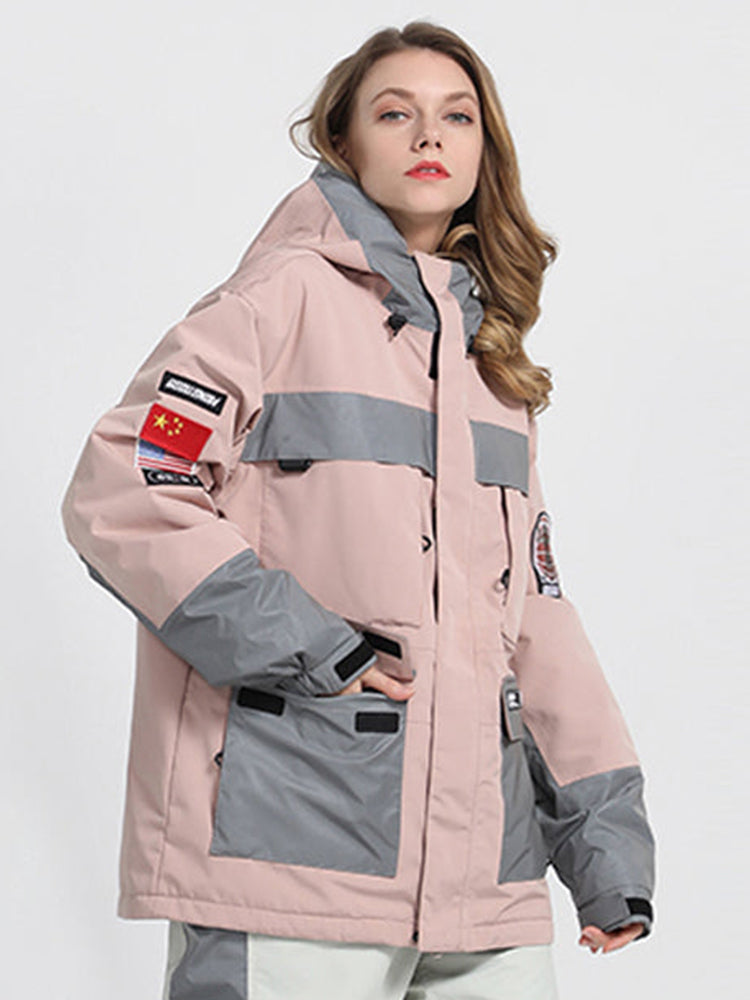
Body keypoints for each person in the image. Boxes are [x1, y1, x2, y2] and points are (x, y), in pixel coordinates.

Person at [61, 20, 656, 1000]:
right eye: (395, 113)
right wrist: (315, 643)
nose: (428, 136)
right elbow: (126, 485)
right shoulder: (270, 305)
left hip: (486, 888)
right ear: (343, 141)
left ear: (484, 149)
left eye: (456, 117)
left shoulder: (490, 364)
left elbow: (536, 616)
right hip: (289, 858)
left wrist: (606, 842)